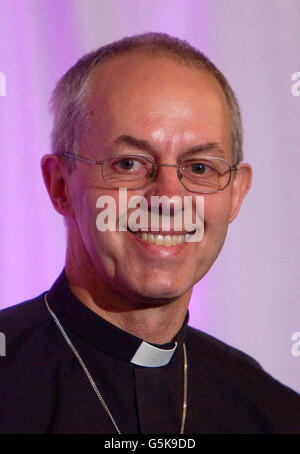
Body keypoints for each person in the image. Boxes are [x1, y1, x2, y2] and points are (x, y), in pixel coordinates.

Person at [0, 32, 299, 435]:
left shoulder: (274, 413)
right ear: (60, 185)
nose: (169, 198)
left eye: (199, 168)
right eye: (129, 164)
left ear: (235, 194)